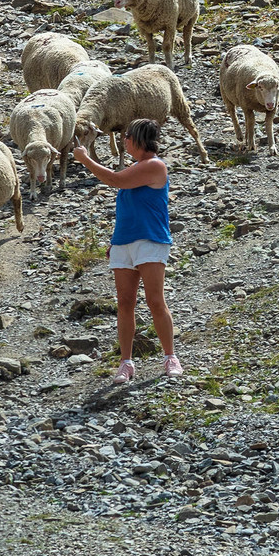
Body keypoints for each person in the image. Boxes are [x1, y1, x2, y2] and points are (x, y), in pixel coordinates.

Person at [73, 117, 181, 384]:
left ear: (140, 139)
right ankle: (126, 362)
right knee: (125, 303)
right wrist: (115, 241)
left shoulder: (154, 166)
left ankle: (170, 357)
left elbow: (114, 180)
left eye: (128, 137)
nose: (125, 141)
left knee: (155, 301)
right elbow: (126, 208)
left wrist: (85, 159)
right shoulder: (138, 168)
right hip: (124, 241)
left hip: (150, 240)